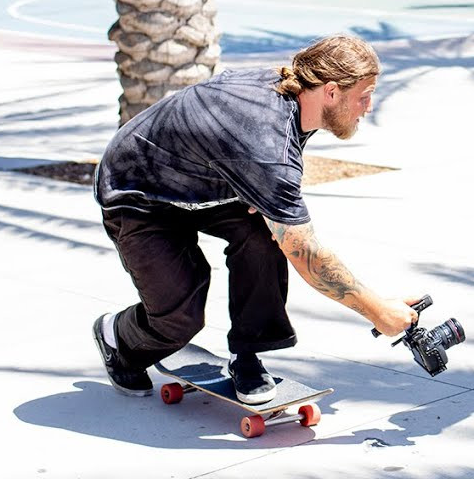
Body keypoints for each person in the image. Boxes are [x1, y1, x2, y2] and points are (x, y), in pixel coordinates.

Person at [91, 34, 419, 404]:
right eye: (364, 95)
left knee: (266, 237)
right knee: (179, 317)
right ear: (330, 91)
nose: (368, 107)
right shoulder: (266, 144)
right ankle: (119, 337)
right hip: (139, 194)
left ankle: (247, 353)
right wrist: (378, 312)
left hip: (207, 181)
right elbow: (307, 254)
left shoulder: (292, 93)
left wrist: (252, 183)